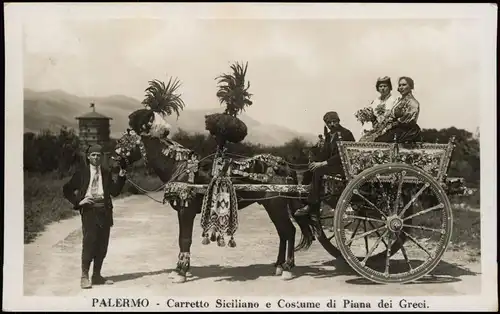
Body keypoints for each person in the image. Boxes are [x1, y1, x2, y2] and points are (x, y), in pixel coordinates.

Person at [63, 144, 127, 289]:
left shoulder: (106, 172)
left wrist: (122, 179)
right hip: (89, 211)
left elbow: (114, 192)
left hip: (105, 210)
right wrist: (79, 202)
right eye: (93, 155)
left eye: (99, 155)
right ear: (88, 157)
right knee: (89, 243)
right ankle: (84, 276)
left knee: (102, 244)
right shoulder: (81, 173)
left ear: (102, 157)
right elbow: (66, 189)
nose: (96, 158)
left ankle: (97, 275)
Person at [295, 111, 355, 218]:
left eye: (334, 122)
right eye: (329, 123)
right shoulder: (329, 136)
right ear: (326, 124)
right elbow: (325, 153)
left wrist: (322, 163)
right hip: (332, 165)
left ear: (339, 121)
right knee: (309, 172)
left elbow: (344, 155)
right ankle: (305, 203)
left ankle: (312, 206)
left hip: (343, 166)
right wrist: (315, 162)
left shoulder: (346, 133)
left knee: (319, 171)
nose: (332, 124)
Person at [372, 76, 421, 143]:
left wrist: (391, 125)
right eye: (400, 85)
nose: (401, 87)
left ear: (410, 86)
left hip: (406, 131)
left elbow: (406, 120)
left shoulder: (412, 102)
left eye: (404, 85)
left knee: (380, 141)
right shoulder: (400, 100)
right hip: (396, 128)